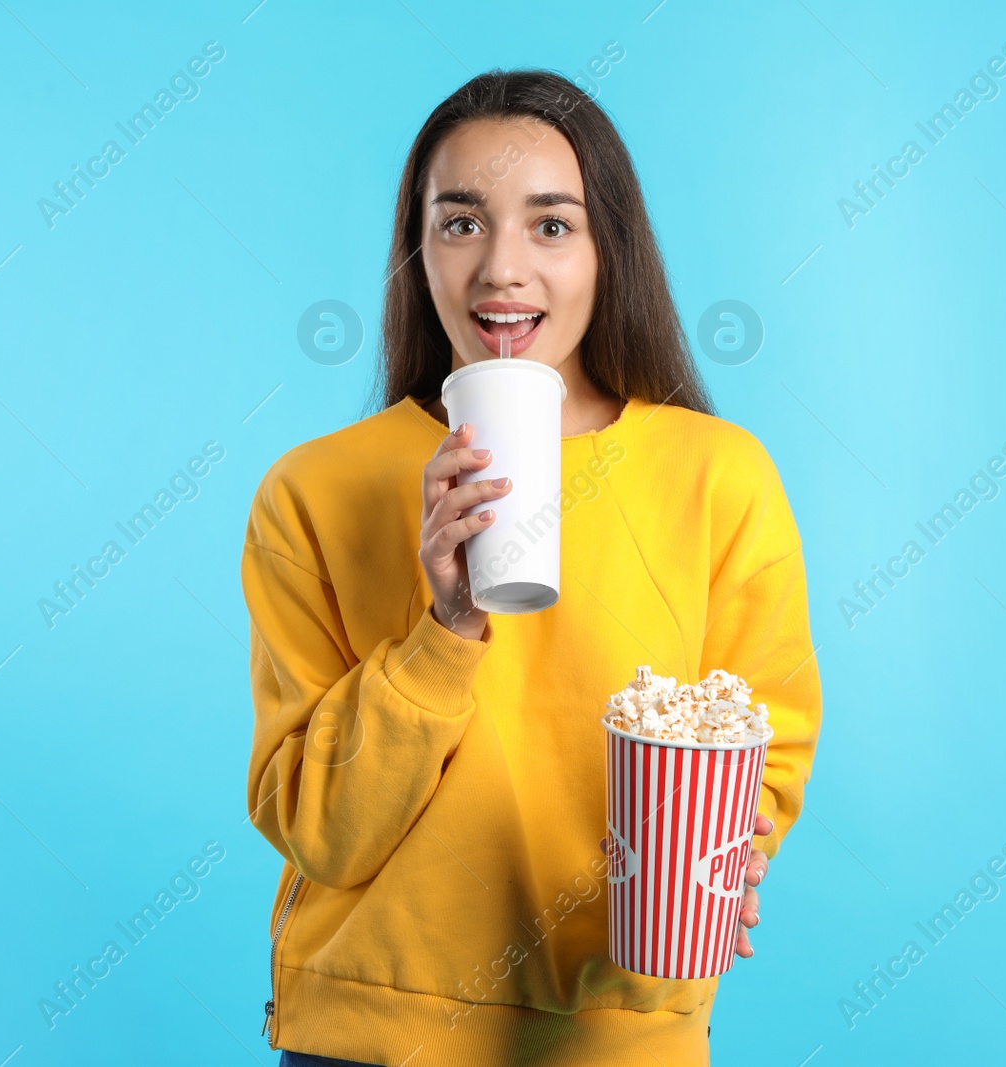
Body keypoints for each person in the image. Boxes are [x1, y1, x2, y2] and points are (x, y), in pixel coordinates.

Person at [242, 68, 822, 1067]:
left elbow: (758, 750)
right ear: (416, 248)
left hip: (615, 1033)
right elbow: (318, 828)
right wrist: (445, 629)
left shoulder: (717, 478)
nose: (500, 269)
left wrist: (722, 855)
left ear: (609, 252)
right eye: (460, 222)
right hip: (370, 1037)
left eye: (551, 225)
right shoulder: (312, 492)